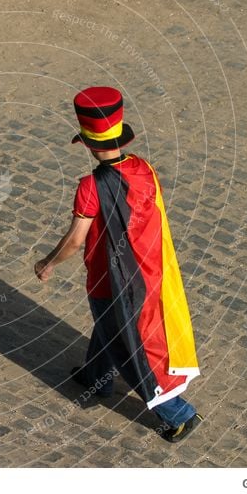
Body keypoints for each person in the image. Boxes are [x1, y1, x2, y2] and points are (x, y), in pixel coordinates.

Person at [34, 86, 202, 443]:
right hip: (148, 271)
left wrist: (48, 262)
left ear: (88, 144)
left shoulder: (91, 186)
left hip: (112, 280)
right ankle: (98, 376)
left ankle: (178, 414)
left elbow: (76, 239)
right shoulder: (143, 168)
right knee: (108, 328)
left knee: (131, 347)